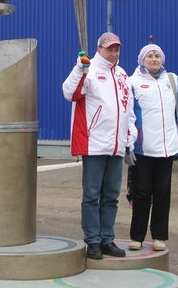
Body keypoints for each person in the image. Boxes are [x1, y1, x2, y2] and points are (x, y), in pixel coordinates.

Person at [62, 32, 137, 260]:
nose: (113, 54)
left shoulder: (123, 74)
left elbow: (128, 110)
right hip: (94, 143)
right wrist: (79, 69)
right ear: (99, 49)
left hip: (116, 145)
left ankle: (107, 239)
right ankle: (93, 241)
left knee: (112, 196)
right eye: (109, 49)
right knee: (92, 196)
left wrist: (129, 136)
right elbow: (69, 93)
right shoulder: (89, 69)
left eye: (116, 49)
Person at [127, 43, 178, 252]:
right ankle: (137, 236)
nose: (154, 59)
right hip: (142, 148)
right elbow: (129, 115)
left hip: (167, 148)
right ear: (142, 60)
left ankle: (159, 236)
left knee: (162, 192)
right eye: (149, 56)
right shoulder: (132, 82)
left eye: (157, 56)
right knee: (141, 192)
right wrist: (129, 142)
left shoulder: (173, 81)